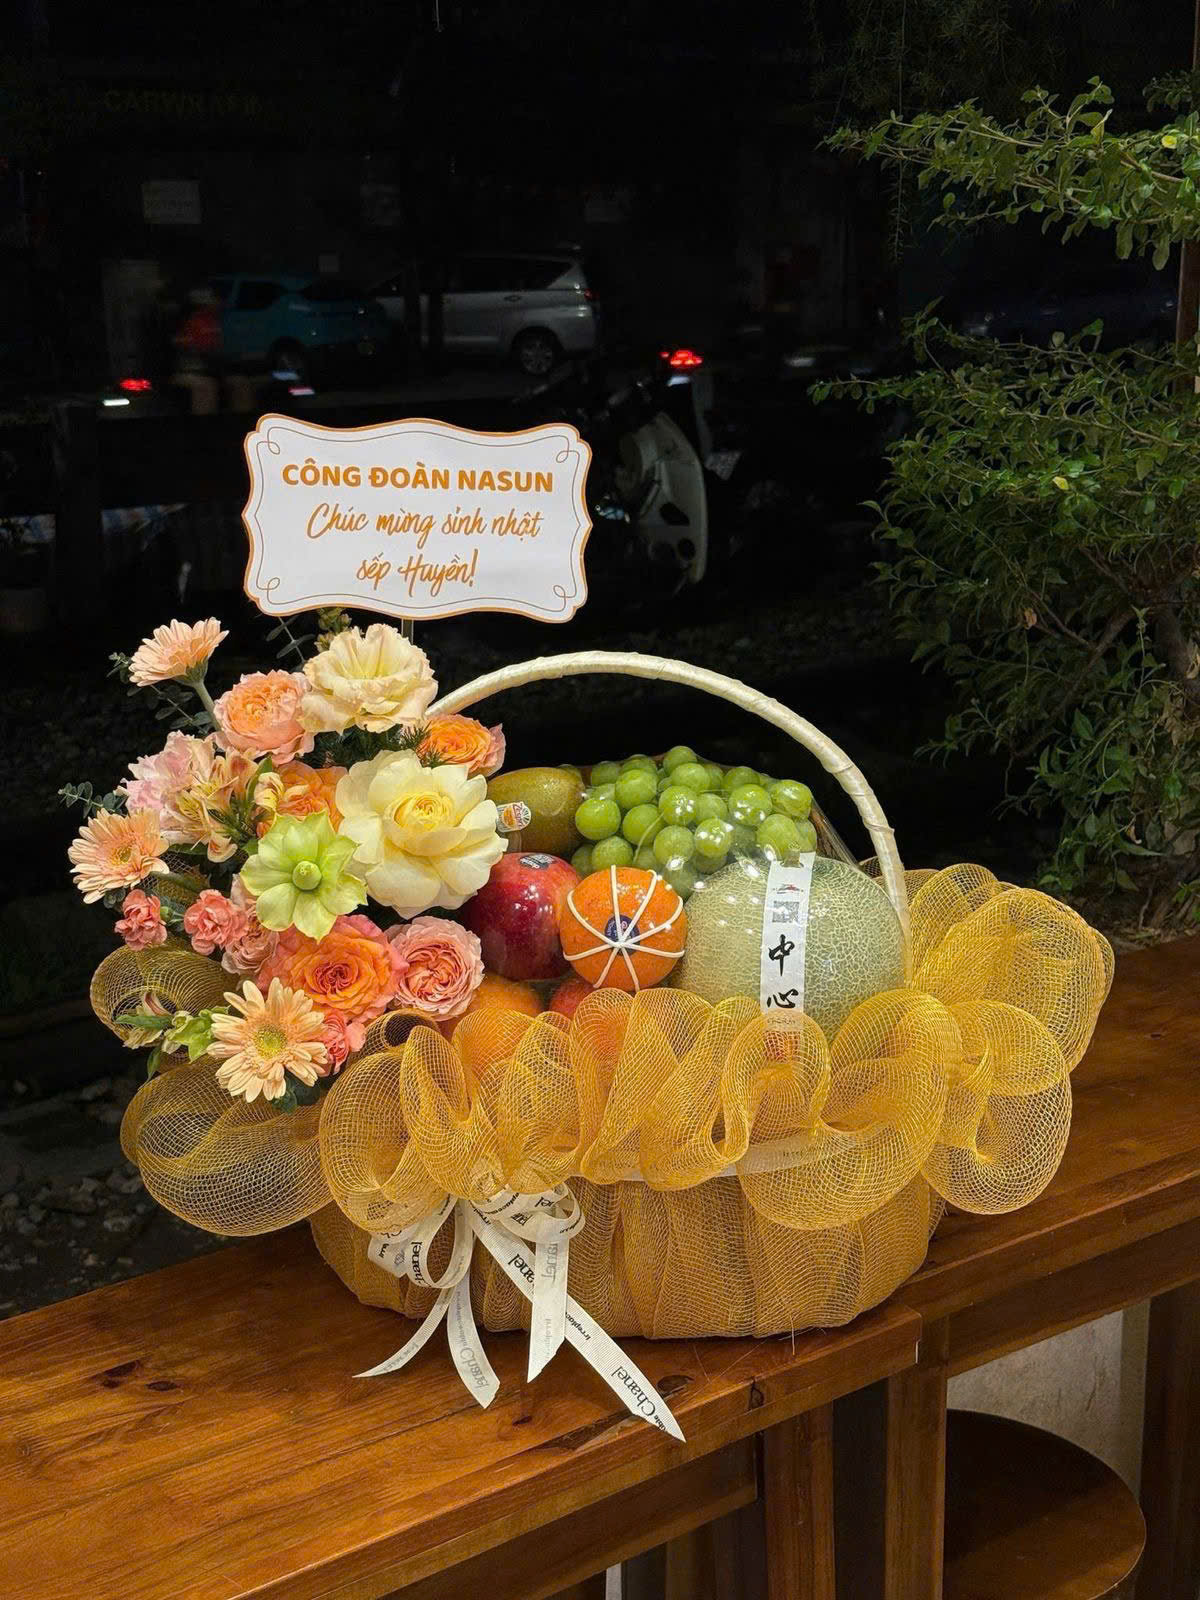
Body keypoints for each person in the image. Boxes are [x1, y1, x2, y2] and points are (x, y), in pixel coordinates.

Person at [172, 286, 223, 414]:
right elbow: (182, 344)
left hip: (204, 370)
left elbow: (213, 347)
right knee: (204, 386)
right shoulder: (192, 322)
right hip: (186, 371)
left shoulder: (212, 322)